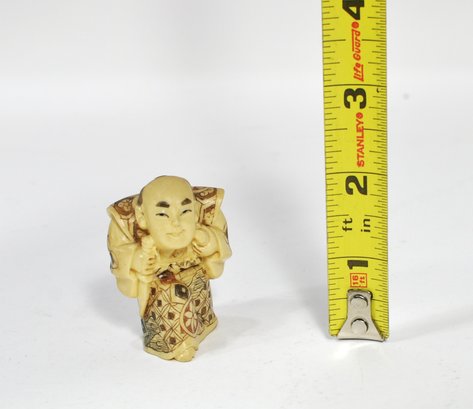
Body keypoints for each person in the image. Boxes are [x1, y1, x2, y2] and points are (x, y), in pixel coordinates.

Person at [107, 176, 231, 361]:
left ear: (195, 211)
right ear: (142, 217)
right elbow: (124, 270)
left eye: (185, 211)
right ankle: (179, 345)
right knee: (175, 295)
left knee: (198, 296)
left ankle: (204, 323)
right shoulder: (123, 222)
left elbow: (219, 255)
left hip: (195, 277)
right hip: (162, 289)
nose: (176, 222)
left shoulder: (208, 210)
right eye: (163, 215)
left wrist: (209, 241)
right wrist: (139, 259)